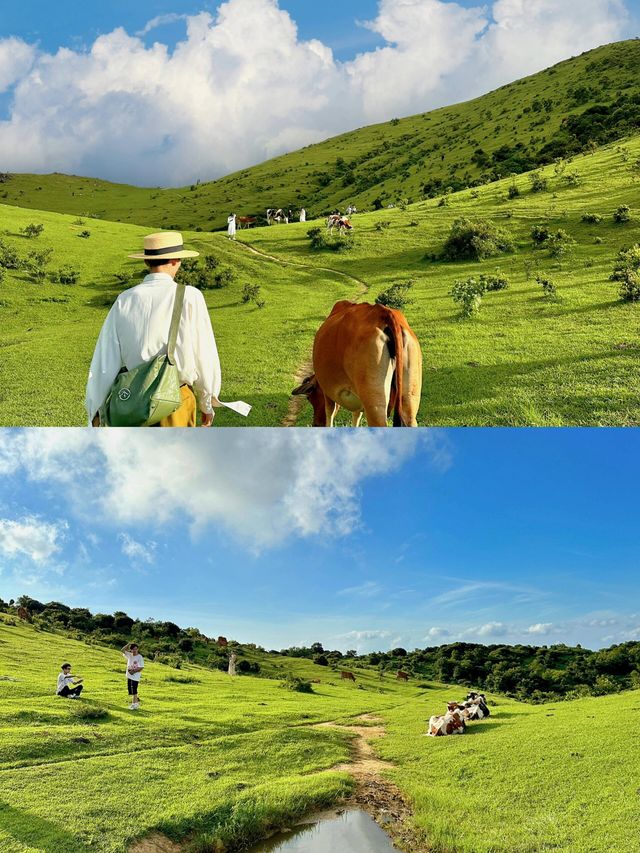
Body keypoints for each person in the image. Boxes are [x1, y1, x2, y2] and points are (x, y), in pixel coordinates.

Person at [85, 232, 251, 427]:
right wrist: (207, 403)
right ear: (176, 260)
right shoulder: (190, 296)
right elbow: (204, 355)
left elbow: (104, 361)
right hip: (175, 402)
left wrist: (95, 411)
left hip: (130, 403)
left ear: (147, 262)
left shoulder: (125, 299)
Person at [122, 642, 144, 709]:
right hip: (129, 675)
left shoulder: (139, 657)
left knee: (134, 690)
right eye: (133, 649)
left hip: (135, 677)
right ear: (131, 650)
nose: (135, 650)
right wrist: (128, 644)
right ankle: (136, 704)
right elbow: (122, 650)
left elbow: (141, 667)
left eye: (136, 649)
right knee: (131, 691)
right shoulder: (129, 655)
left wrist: (133, 671)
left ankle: (134, 704)